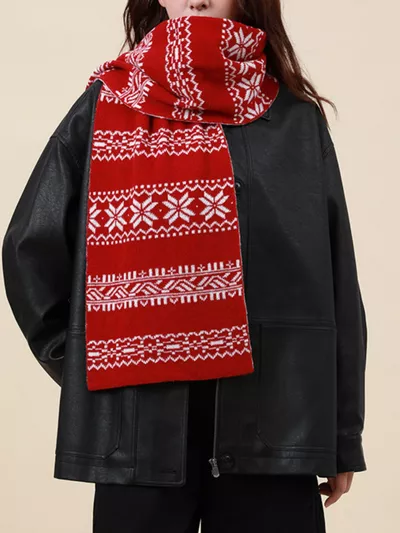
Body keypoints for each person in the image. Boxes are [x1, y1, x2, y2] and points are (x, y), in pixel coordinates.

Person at [2, 1, 368, 532]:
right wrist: (85, 365)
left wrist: (341, 436)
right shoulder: (105, 105)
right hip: (137, 440)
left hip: (275, 433)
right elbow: (29, 250)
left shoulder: (295, 119)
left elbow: (338, 281)